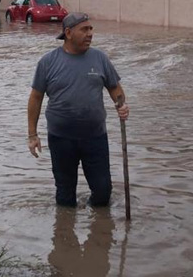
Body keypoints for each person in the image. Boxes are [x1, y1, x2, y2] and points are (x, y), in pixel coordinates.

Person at [27, 12, 129, 207]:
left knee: (102, 191)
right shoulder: (48, 62)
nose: (90, 33)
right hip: (61, 139)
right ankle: (65, 232)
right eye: (84, 29)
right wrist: (32, 135)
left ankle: (98, 229)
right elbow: (35, 98)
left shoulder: (100, 59)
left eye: (91, 29)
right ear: (68, 33)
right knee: (65, 195)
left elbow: (114, 88)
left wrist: (121, 106)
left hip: (95, 137)